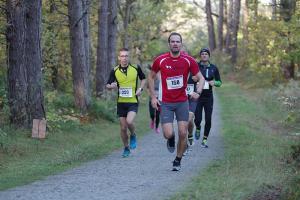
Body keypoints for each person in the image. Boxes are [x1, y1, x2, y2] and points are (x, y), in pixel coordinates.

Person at [148, 32, 205, 171]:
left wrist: (198, 92)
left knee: (183, 132)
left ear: (181, 44)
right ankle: (171, 139)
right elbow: (150, 77)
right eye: (172, 41)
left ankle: (178, 160)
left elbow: (201, 78)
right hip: (166, 103)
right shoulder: (160, 60)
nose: (175, 44)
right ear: (169, 44)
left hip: (182, 102)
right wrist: (153, 97)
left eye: (177, 41)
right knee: (168, 133)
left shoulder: (188, 60)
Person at [106, 48, 146, 157]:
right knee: (123, 128)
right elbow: (108, 84)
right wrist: (111, 86)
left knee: (129, 121)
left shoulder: (136, 68)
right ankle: (126, 148)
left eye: (126, 56)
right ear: (119, 58)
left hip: (132, 101)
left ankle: (133, 134)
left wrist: (140, 89)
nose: (124, 58)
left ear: (129, 57)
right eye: (122, 56)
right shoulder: (114, 70)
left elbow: (143, 79)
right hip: (121, 103)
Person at [194, 48, 222, 148]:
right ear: (200, 56)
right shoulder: (196, 66)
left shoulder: (214, 68)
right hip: (198, 96)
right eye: (202, 54)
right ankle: (197, 127)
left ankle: (205, 140)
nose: (204, 55)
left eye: (206, 54)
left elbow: (220, 82)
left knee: (208, 119)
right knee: (197, 118)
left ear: (209, 56)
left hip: (209, 97)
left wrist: (214, 82)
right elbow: (190, 79)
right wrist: (193, 79)